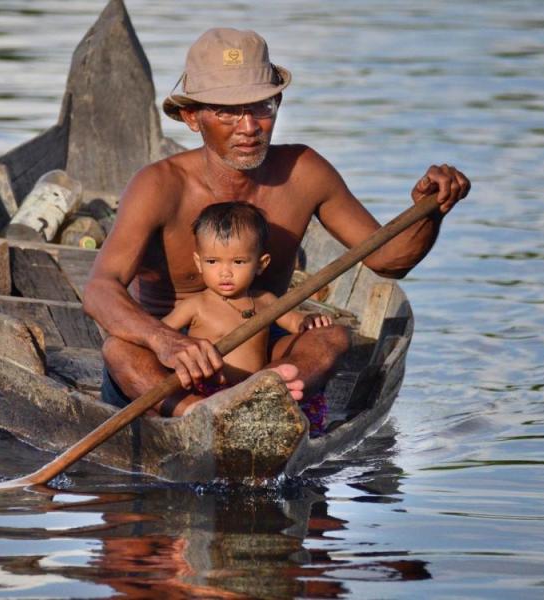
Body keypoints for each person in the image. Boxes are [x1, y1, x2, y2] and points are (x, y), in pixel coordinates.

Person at [83, 27, 470, 417]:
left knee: (331, 337)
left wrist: (430, 211)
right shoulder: (158, 185)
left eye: (261, 107)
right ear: (191, 117)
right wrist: (164, 340)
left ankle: (259, 405)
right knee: (119, 349)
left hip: (262, 351)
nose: (249, 127)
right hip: (172, 364)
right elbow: (100, 289)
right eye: (226, 111)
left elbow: (391, 260)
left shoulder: (304, 172)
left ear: (278, 102)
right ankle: (197, 415)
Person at [159, 201, 332, 425]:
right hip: (208, 391)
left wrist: (309, 321)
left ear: (261, 264)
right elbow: (164, 336)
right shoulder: (195, 304)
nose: (225, 272)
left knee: (302, 408)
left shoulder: (264, 301)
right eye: (212, 261)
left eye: (238, 262)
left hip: (253, 390)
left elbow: (294, 323)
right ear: (199, 263)